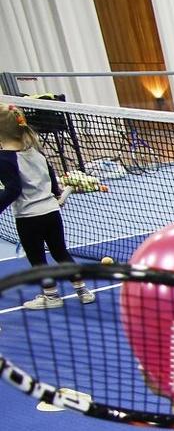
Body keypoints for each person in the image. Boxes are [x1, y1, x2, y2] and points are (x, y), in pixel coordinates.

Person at [0, 104, 93, 309]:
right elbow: (50, 173)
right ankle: (82, 290)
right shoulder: (35, 151)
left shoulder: (4, 159)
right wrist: (57, 193)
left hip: (28, 217)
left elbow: (13, 189)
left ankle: (51, 297)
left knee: (38, 260)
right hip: (51, 212)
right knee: (61, 252)